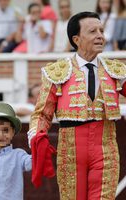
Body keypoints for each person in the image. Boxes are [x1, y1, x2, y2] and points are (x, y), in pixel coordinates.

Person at [29, 11, 126, 199]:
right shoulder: (58, 72)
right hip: (70, 150)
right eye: (93, 31)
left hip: (105, 146)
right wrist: (37, 137)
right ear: (76, 39)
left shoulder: (116, 71)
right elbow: (42, 114)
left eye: (101, 30)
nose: (100, 35)